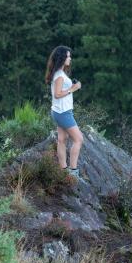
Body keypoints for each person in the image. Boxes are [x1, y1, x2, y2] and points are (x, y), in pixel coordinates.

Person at [45, 46, 83, 179]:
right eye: (68, 56)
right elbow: (57, 94)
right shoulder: (60, 75)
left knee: (62, 139)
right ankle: (73, 171)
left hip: (58, 111)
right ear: (62, 58)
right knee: (78, 139)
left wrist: (71, 87)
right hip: (63, 113)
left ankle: (63, 170)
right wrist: (73, 88)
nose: (70, 58)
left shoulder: (58, 73)